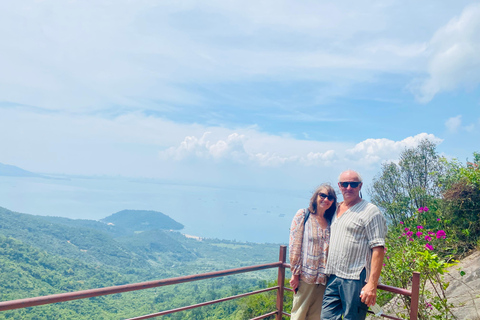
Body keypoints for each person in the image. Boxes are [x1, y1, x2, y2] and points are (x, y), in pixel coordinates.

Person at [321, 170, 387, 320]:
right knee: (326, 317)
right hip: (333, 275)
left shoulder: (371, 211)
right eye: (345, 184)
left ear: (360, 186)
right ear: (339, 186)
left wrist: (372, 284)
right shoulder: (335, 208)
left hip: (355, 277)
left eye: (353, 184)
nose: (349, 188)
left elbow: (378, 248)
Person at [289, 183, 337, 320]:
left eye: (330, 197)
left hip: (323, 279)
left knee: (315, 316)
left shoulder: (330, 221)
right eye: (323, 195)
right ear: (316, 197)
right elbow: (295, 245)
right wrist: (295, 274)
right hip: (305, 277)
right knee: (299, 314)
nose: (326, 199)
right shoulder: (303, 215)